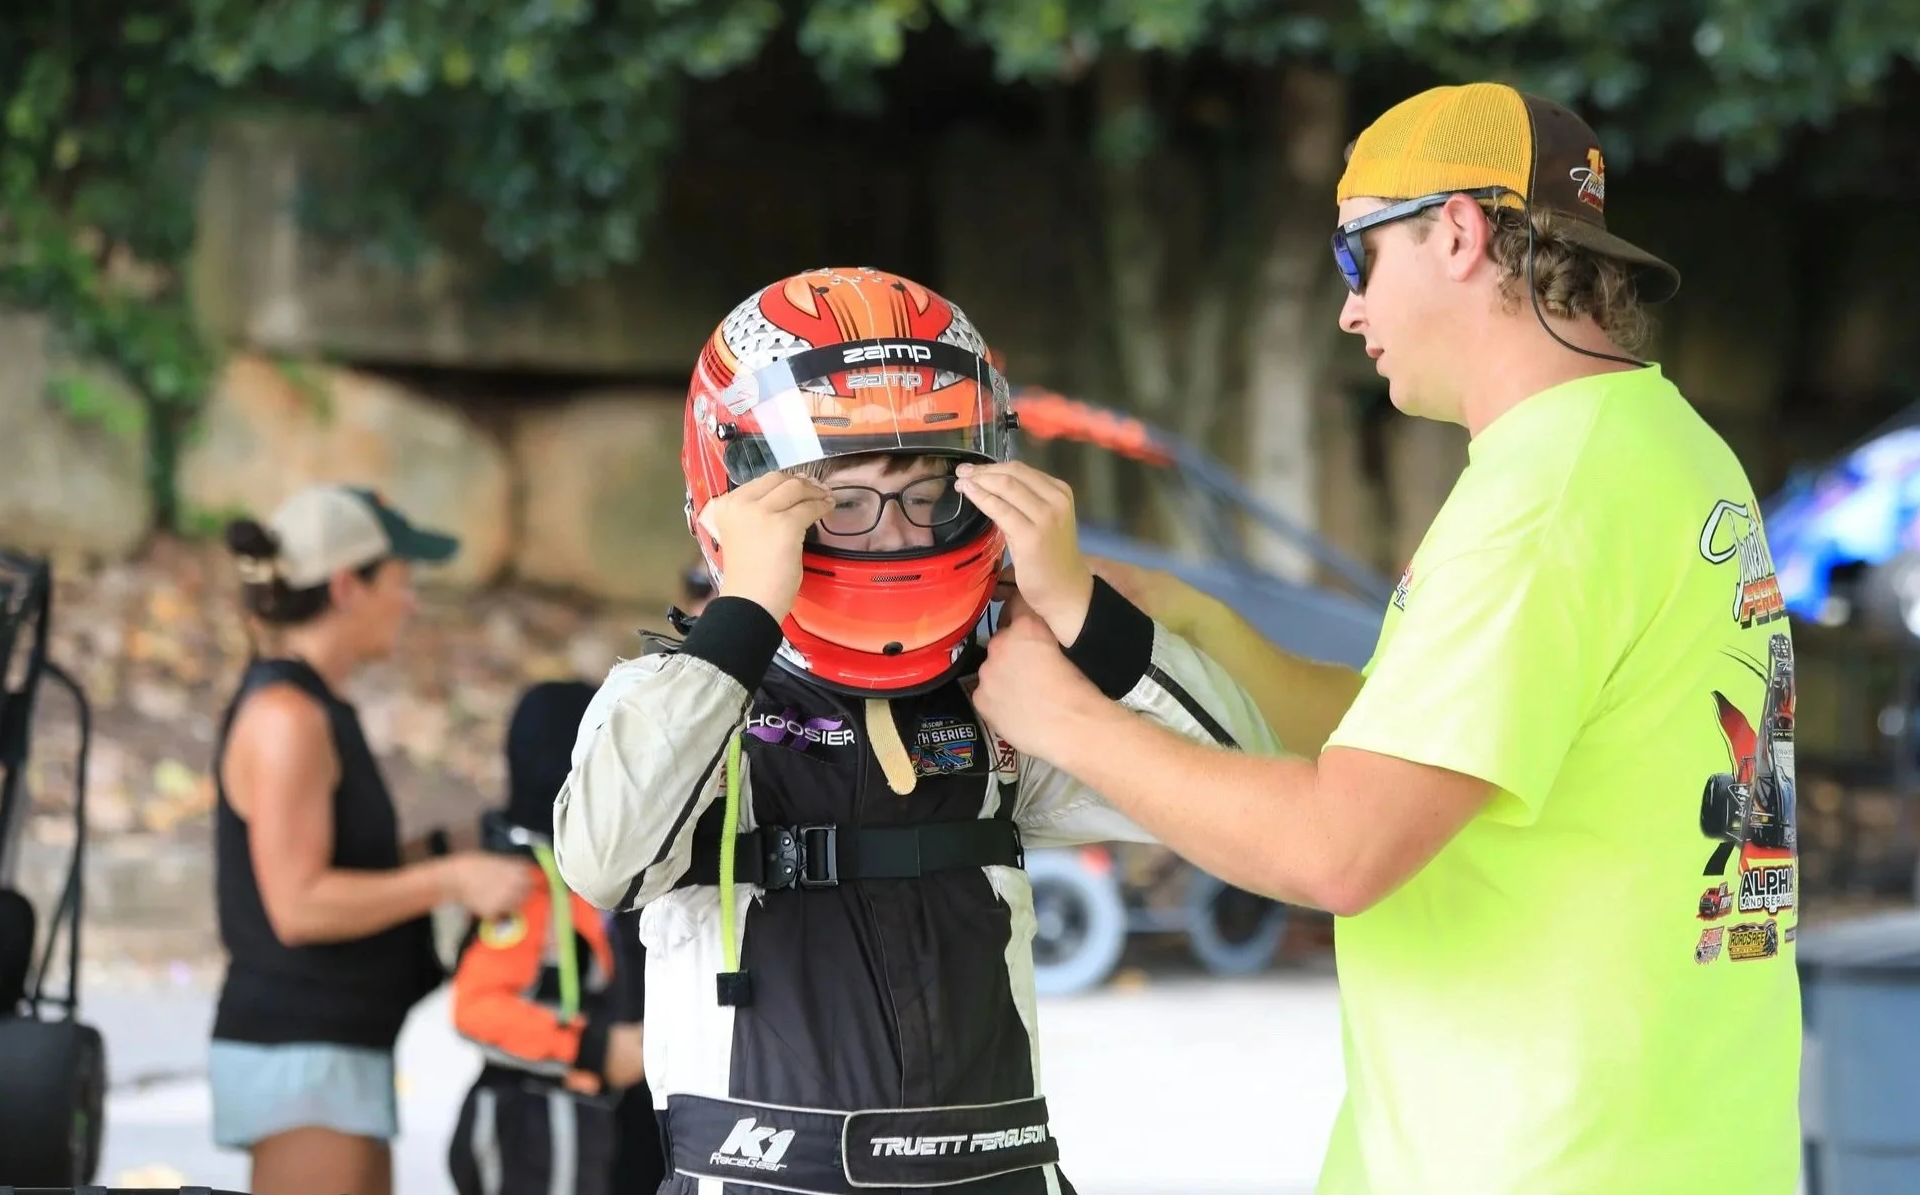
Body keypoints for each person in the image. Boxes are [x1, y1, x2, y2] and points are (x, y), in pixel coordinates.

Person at [969, 83, 1803, 1193]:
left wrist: (1058, 716)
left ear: (1455, 232)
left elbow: (1338, 847)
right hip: (1666, 1143)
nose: (1351, 310)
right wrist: (1179, 616)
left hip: (1539, 1161)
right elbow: (1398, 742)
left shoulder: (1545, 500)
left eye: (1353, 258)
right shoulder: (1655, 443)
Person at [550, 267, 1277, 1195]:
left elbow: (1252, 796)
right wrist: (741, 618)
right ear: (749, 502)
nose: (895, 536)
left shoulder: (999, 696)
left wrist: (1082, 609)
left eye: (929, 493)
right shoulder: (686, 701)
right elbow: (602, 859)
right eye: (844, 503)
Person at [212, 484, 536, 1195]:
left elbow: (346, 865)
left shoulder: (316, 708)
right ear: (346, 586)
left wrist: (458, 846)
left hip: (341, 1047)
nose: (411, 602)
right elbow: (298, 904)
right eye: (401, 581)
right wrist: (452, 881)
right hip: (302, 1052)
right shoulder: (286, 718)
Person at [447, 680, 658, 1195]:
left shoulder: (592, 872)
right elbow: (476, 1008)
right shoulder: (526, 882)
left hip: (595, 1123)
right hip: (532, 1128)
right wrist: (592, 1048)